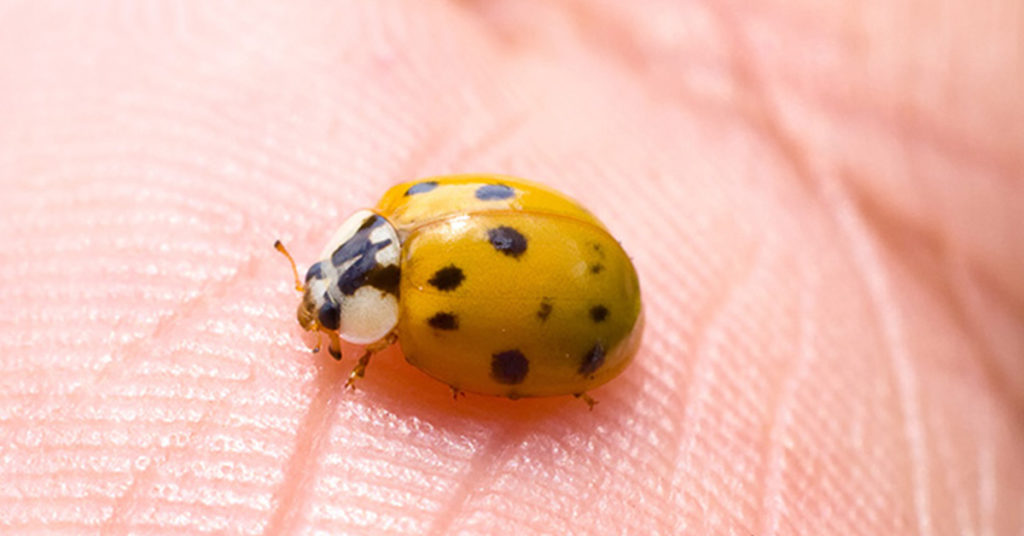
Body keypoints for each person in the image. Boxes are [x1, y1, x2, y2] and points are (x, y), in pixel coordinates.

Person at [1, 2, 1021, 534]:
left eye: (325, 304)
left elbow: (460, 340)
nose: (321, 313)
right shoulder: (400, 220)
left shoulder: (413, 316)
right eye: (323, 296)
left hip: (593, 302)